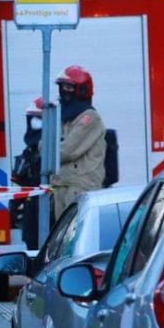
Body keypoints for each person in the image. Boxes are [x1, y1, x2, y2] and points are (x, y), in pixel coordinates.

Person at [50, 65, 106, 219]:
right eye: (62, 87)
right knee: (62, 239)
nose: (64, 91)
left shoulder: (90, 117)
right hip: (62, 185)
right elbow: (46, 145)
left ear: (81, 89)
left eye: (69, 87)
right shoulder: (64, 117)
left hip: (80, 188)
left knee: (76, 237)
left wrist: (48, 149)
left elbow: (65, 151)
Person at [12, 97, 44, 250]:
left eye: (37, 119)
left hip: (46, 213)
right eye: (32, 119)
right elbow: (20, 185)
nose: (33, 123)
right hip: (31, 215)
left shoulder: (53, 152)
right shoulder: (29, 153)